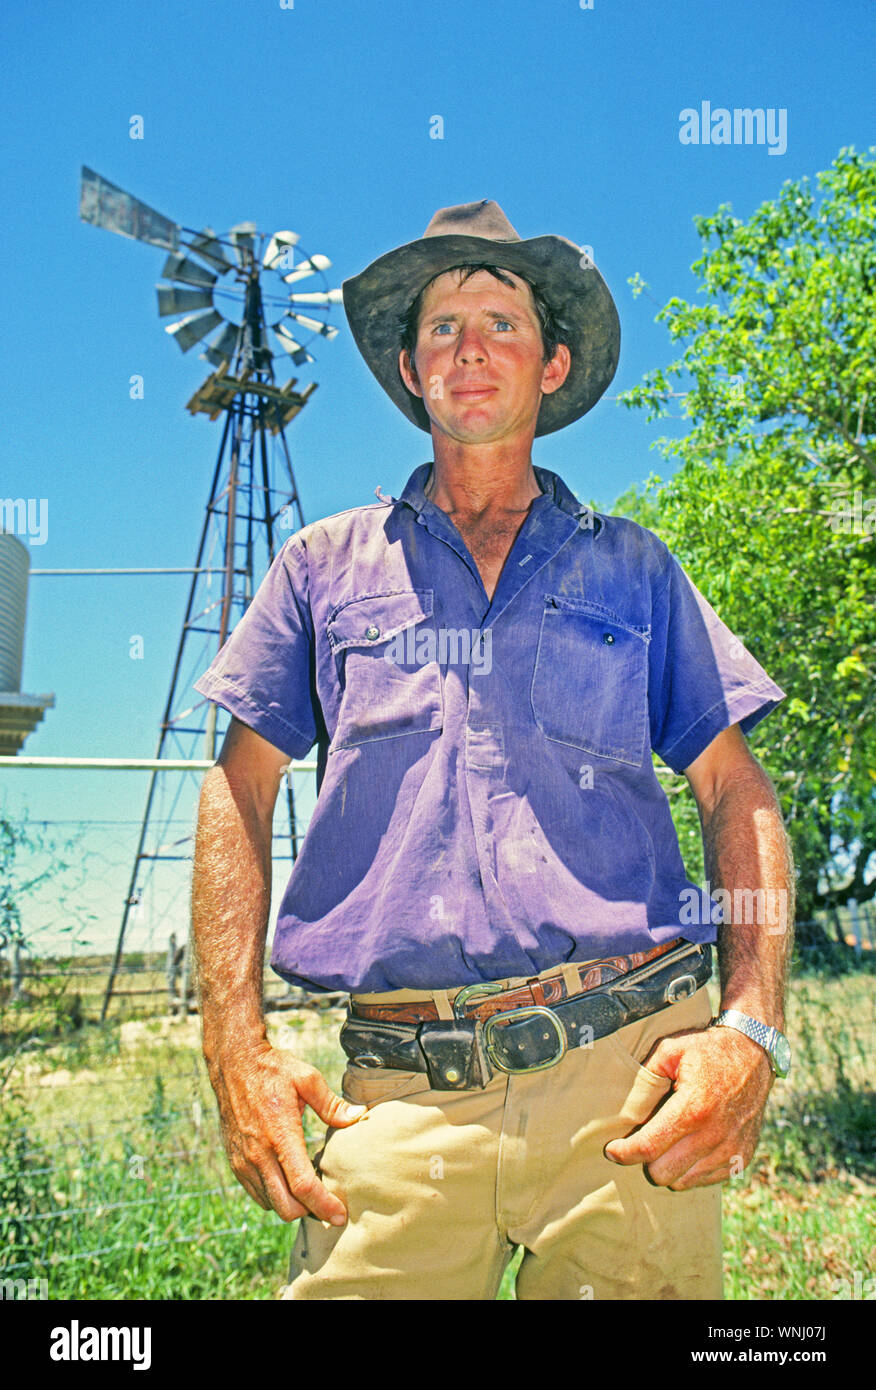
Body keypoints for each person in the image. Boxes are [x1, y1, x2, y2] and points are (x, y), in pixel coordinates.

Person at [191, 200, 794, 1301]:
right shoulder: (321, 568)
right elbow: (237, 790)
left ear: (552, 363)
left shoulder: (637, 571)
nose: (469, 346)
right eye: (441, 327)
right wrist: (234, 1045)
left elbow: (735, 791)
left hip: (633, 1079)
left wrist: (751, 1027)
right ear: (413, 373)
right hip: (396, 1099)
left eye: (501, 321)